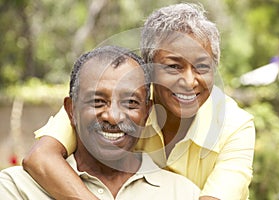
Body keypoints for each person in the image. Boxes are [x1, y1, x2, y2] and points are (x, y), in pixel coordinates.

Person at [22, 3, 255, 200]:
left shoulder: (234, 126)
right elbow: (40, 158)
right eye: (174, 66)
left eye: (202, 67)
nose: (189, 81)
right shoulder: (113, 105)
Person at [0, 46, 201, 199]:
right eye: (97, 101)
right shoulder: (16, 188)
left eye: (130, 103)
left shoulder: (182, 193)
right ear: (71, 109)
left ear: (147, 112)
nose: (113, 117)